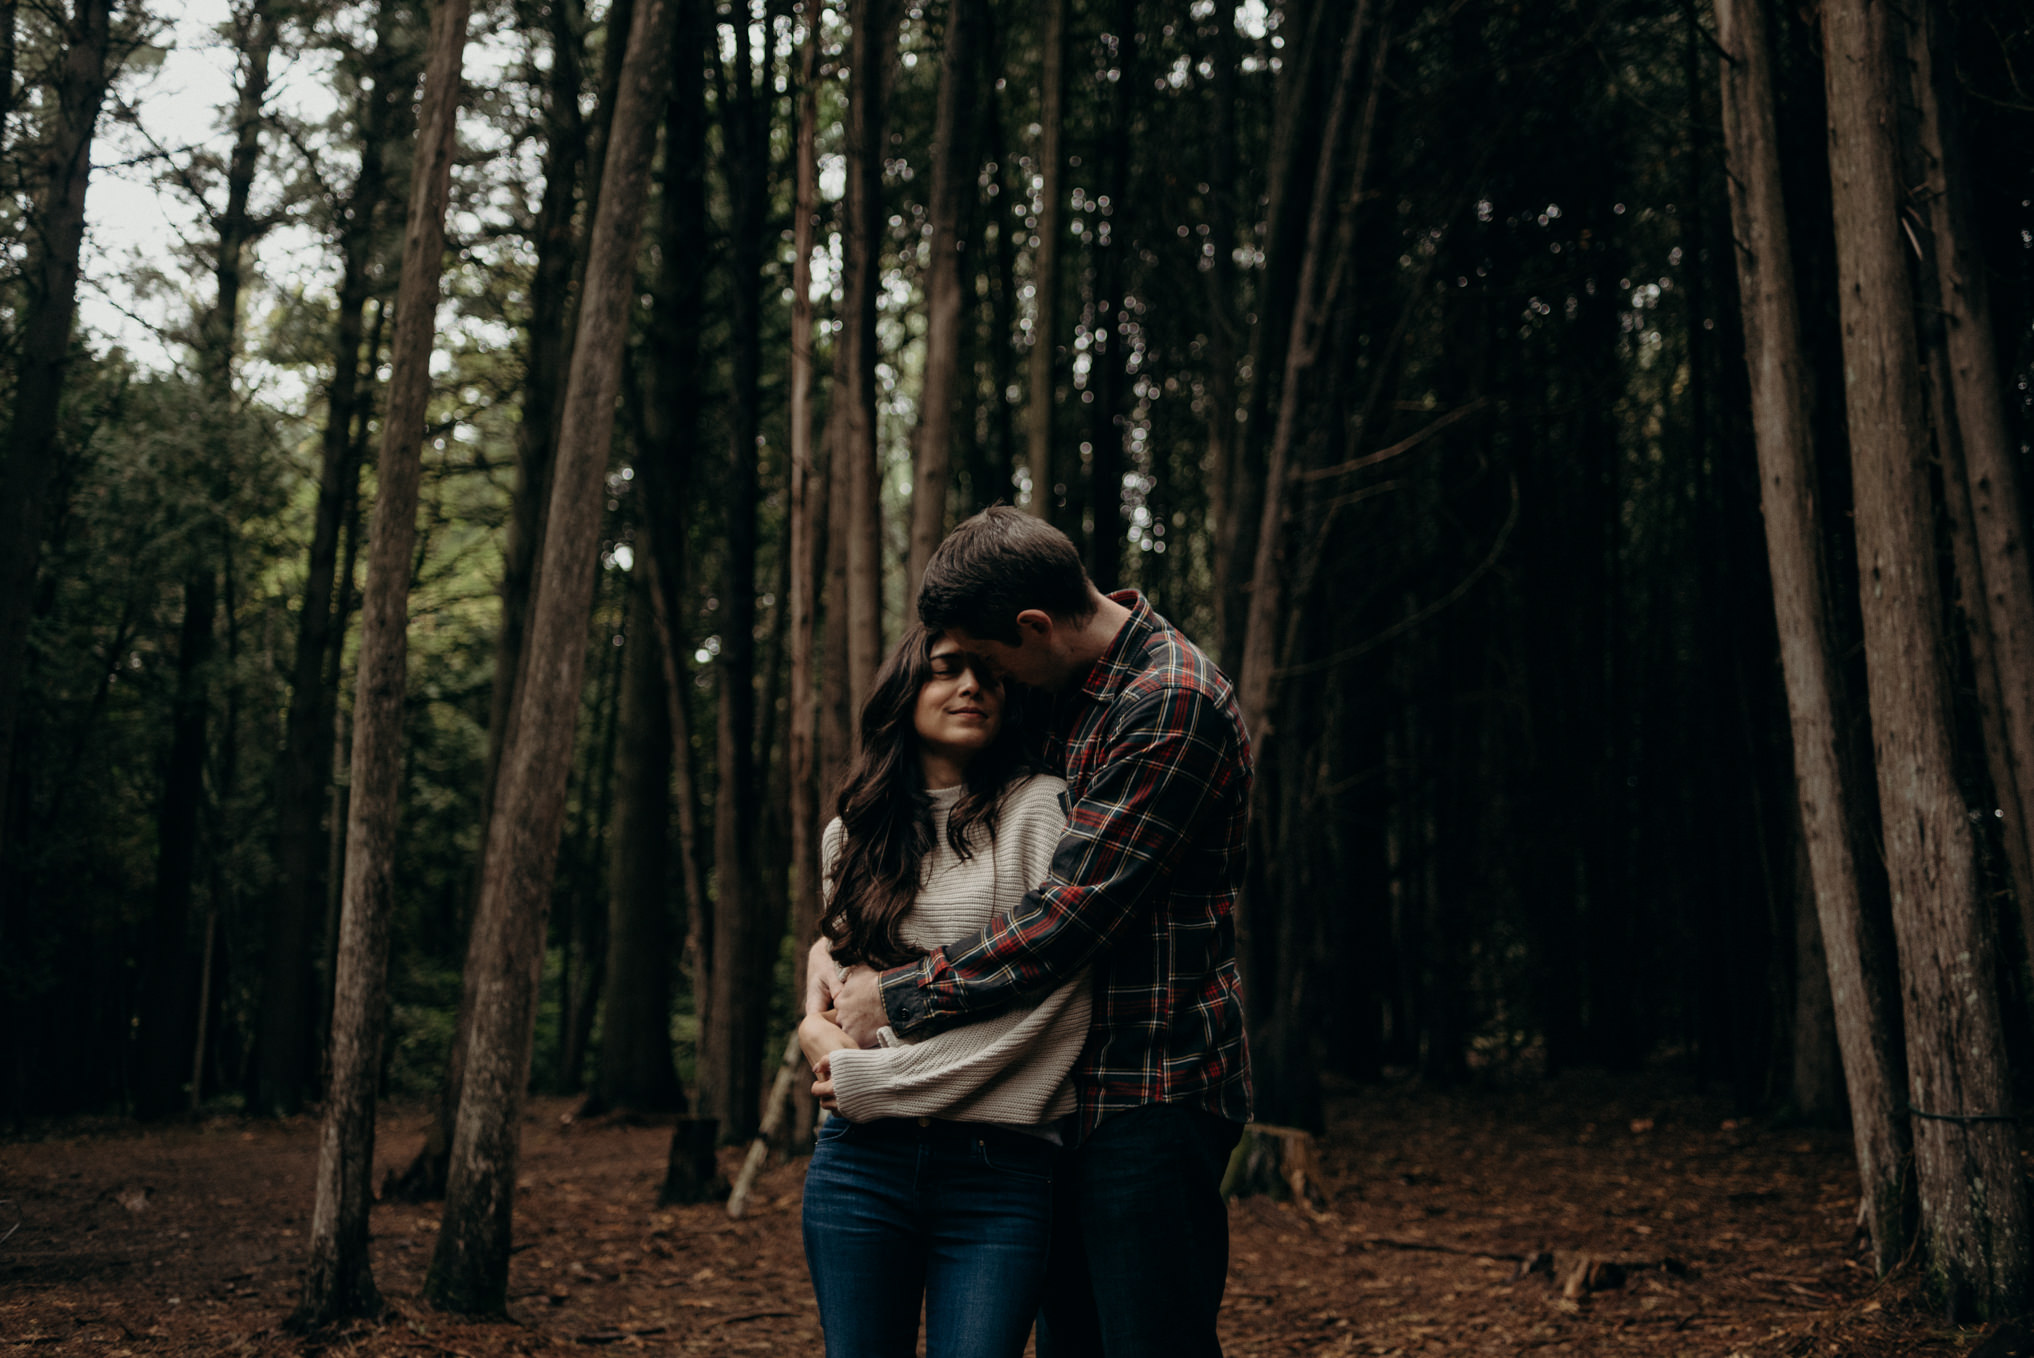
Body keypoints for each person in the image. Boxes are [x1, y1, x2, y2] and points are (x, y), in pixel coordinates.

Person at [811, 506, 1254, 1358]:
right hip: (1056, 1103)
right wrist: (827, 962)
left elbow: (1065, 917)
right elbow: (938, 875)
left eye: (991, 661)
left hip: (1150, 1090)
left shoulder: (1170, 701)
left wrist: (895, 996)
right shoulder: (1068, 692)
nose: (988, 685)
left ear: (1033, 627)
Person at [798, 622, 1090, 1358]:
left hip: (998, 1171)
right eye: (947, 670)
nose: (971, 688)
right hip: (859, 1164)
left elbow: (1050, 1011)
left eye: (989, 675)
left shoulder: (1041, 810)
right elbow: (843, 998)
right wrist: (817, 1029)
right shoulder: (851, 834)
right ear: (905, 691)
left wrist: (870, 1073)